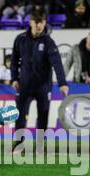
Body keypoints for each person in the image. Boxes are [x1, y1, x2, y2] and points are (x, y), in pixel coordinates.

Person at [10, 9, 68, 152]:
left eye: (41, 22)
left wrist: (62, 83)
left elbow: (57, 64)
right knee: (20, 116)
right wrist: (14, 78)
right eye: (36, 22)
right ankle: (18, 145)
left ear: (45, 23)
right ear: (30, 22)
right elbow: (14, 61)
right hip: (24, 85)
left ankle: (41, 145)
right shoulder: (20, 39)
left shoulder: (48, 42)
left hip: (43, 86)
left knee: (43, 116)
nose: (39, 25)